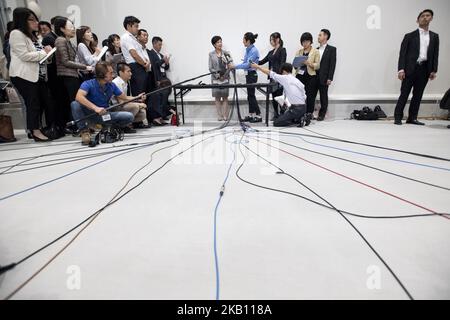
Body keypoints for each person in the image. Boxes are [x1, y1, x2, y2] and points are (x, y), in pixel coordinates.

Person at [8, 7, 55, 142]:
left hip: (35, 74)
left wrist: (47, 54)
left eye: (36, 20)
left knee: (39, 102)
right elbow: (24, 55)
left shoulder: (31, 35)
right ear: (23, 21)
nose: (36, 23)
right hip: (23, 75)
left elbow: (38, 55)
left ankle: (37, 129)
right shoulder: (16, 33)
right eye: (32, 20)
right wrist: (44, 53)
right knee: (32, 103)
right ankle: (35, 131)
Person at [71, 61, 139, 145]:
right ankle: (84, 131)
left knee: (129, 116)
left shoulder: (112, 85)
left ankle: (109, 128)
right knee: (75, 104)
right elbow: (78, 97)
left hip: (104, 115)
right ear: (102, 75)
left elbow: (124, 97)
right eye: (110, 73)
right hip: (90, 115)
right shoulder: (88, 84)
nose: (113, 75)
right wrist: (95, 108)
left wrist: (137, 98)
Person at [394, 9, 439, 126]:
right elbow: (402, 54)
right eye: (422, 16)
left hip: (424, 69)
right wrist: (401, 69)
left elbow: (435, 54)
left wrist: (434, 70)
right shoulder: (409, 36)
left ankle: (412, 117)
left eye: (428, 16)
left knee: (418, 95)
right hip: (410, 68)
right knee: (404, 93)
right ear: (417, 20)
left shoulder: (434, 36)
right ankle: (398, 117)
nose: (425, 18)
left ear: (431, 18)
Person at [54, 17, 94, 134]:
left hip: (73, 75)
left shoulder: (67, 41)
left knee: (76, 101)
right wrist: (84, 67)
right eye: (70, 27)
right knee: (74, 102)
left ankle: (81, 124)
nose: (73, 29)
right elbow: (65, 61)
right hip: (67, 76)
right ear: (62, 29)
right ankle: (78, 125)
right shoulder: (60, 40)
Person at [251, 62, 308, 127]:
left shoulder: (285, 78)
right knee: (285, 116)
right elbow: (303, 92)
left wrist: (257, 67)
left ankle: (299, 119)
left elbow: (270, 73)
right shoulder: (295, 79)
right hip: (303, 107)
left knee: (277, 123)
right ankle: (300, 117)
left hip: (296, 109)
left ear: (283, 71)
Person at [229, 32, 261, 123]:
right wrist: (234, 65)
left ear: (248, 41)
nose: (242, 41)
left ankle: (258, 115)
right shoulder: (248, 49)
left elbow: (247, 65)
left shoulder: (254, 51)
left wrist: (234, 66)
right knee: (250, 95)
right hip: (248, 75)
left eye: (244, 39)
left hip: (252, 75)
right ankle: (251, 114)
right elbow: (245, 63)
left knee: (251, 95)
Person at [137, 30, 167, 126]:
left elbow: (153, 66)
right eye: (144, 35)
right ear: (138, 37)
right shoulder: (137, 49)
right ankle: (145, 119)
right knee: (145, 97)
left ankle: (155, 117)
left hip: (150, 75)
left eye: (147, 35)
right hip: (141, 75)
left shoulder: (147, 50)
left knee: (154, 97)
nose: (146, 37)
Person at [120, 16, 150, 104]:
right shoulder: (126, 37)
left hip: (140, 66)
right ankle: (140, 116)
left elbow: (140, 52)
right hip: (135, 67)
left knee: (144, 92)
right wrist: (145, 63)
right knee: (139, 93)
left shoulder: (133, 38)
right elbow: (134, 54)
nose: (138, 29)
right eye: (136, 26)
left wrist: (146, 62)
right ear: (129, 26)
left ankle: (144, 115)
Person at [308, 29, 337, 121]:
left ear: (326, 36)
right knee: (311, 95)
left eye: (320, 35)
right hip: (313, 75)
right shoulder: (315, 50)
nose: (318, 37)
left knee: (323, 96)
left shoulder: (332, 49)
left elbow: (332, 64)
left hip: (324, 77)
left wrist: (330, 78)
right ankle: (309, 113)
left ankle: (322, 114)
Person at [258, 32, 287, 120]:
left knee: (280, 95)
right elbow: (262, 61)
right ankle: (276, 114)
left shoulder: (282, 50)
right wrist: (254, 62)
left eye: (272, 39)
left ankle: (282, 113)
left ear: (278, 39)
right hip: (272, 77)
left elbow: (283, 63)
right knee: (274, 96)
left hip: (279, 76)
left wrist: (278, 75)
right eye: (270, 40)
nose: (271, 41)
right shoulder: (270, 52)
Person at [112, 62, 149, 130]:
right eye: (128, 71)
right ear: (121, 72)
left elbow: (125, 97)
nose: (131, 73)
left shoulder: (125, 82)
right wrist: (137, 103)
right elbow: (121, 102)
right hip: (116, 107)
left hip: (122, 105)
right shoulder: (116, 82)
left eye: (130, 71)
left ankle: (124, 124)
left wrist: (138, 98)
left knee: (142, 114)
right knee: (135, 107)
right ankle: (123, 126)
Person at [293, 32, 320, 118]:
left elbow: (318, 65)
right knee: (300, 95)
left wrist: (309, 63)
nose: (305, 43)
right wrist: (297, 64)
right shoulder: (299, 52)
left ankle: (309, 113)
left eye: (307, 41)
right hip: (300, 76)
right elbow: (295, 65)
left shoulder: (315, 51)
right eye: (303, 42)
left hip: (311, 76)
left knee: (310, 95)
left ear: (310, 41)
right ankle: (300, 112)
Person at [148, 36, 174, 122]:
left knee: (165, 96)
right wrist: (163, 60)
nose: (160, 47)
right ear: (154, 44)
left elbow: (166, 67)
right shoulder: (150, 53)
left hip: (164, 77)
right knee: (159, 97)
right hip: (158, 77)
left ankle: (164, 113)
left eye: (161, 45)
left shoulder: (161, 55)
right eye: (159, 45)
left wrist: (166, 62)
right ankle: (159, 115)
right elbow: (155, 65)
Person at [209, 35, 233, 121]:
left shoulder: (226, 53)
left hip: (225, 78)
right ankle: (219, 115)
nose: (220, 43)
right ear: (214, 44)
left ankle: (225, 115)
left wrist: (224, 75)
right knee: (217, 97)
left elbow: (230, 65)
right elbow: (210, 67)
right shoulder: (211, 54)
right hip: (215, 79)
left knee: (225, 97)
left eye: (220, 41)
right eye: (218, 42)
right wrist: (217, 76)